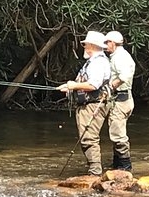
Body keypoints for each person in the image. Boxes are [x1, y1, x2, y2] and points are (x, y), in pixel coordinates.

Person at [57, 30, 112, 176]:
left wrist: (73, 86)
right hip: (89, 104)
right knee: (87, 138)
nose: (84, 47)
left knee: (89, 138)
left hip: (94, 104)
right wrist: (68, 87)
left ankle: (95, 173)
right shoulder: (93, 62)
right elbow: (84, 81)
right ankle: (94, 170)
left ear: (92, 46)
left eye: (86, 44)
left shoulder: (98, 63)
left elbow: (93, 85)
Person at [104, 30, 135, 172]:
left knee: (118, 134)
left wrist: (112, 86)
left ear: (113, 43)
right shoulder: (118, 56)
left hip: (121, 100)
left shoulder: (120, 57)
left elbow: (125, 75)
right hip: (123, 99)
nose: (105, 46)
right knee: (116, 131)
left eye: (107, 43)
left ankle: (125, 167)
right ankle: (117, 166)